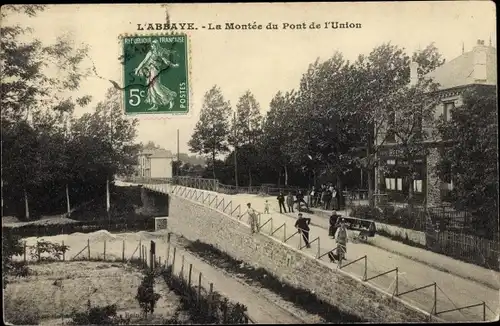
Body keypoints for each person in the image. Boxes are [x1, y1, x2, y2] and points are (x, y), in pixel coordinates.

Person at [133, 39, 179, 111]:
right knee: (151, 88)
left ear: (156, 46)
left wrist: (173, 65)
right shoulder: (150, 53)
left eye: (153, 45)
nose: (152, 46)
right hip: (149, 71)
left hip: (155, 71)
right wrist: (138, 69)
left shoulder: (159, 53)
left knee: (156, 87)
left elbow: (166, 61)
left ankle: (170, 100)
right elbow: (144, 62)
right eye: (152, 45)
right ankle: (155, 105)